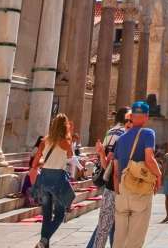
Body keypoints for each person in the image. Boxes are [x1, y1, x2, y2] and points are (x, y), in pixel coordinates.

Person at [111, 100, 161, 248]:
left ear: (131, 116)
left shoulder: (120, 139)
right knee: (135, 240)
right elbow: (149, 159)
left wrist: (118, 192)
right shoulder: (147, 133)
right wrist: (158, 175)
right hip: (139, 190)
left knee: (119, 239)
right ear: (146, 117)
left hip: (122, 191)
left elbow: (115, 171)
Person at [28, 113, 76, 248]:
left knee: (47, 214)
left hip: (44, 177)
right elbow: (70, 156)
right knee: (60, 214)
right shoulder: (66, 142)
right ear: (65, 126)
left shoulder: (44, 141)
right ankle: (44, 240)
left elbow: (37, 160)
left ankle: (44, 243)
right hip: (57, 179)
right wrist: (69, 135)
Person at [86, 106, 129, 248]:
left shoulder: (110, 131)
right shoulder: (124, 135)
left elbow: (104, 158)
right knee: (107, 224)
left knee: (108, 222)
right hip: (116, 182)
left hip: (107, 178)